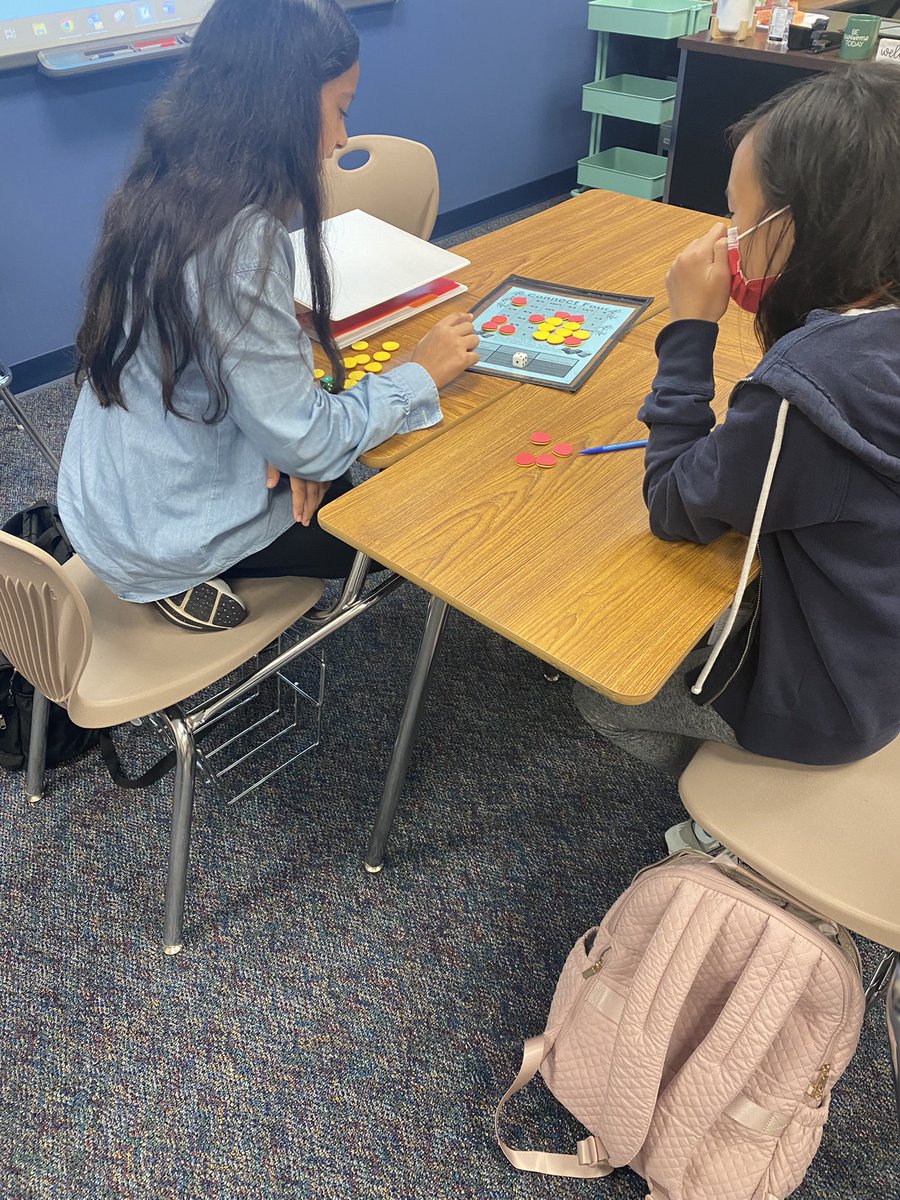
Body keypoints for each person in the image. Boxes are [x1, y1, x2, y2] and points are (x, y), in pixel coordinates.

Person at [58, 0, 477, 631]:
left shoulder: (166, 179)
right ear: (280, 102)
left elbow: (234, 365)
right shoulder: (241, 239)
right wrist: (418, 376)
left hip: (103, 493)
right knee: (405, 535)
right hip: (159, 535)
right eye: (339, 108)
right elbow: (306, 437)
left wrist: (298, 438)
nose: (340, 139)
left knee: (316, 453)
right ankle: (188, 573)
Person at [575, 65, 900, 787]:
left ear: (793, 228)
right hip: (882, 644)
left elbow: (671, 505)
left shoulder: (805, 395)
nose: (727, 240)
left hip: (835, 705)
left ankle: (751, 795)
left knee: (603, 699)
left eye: (737, 218)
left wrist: (690, 330)